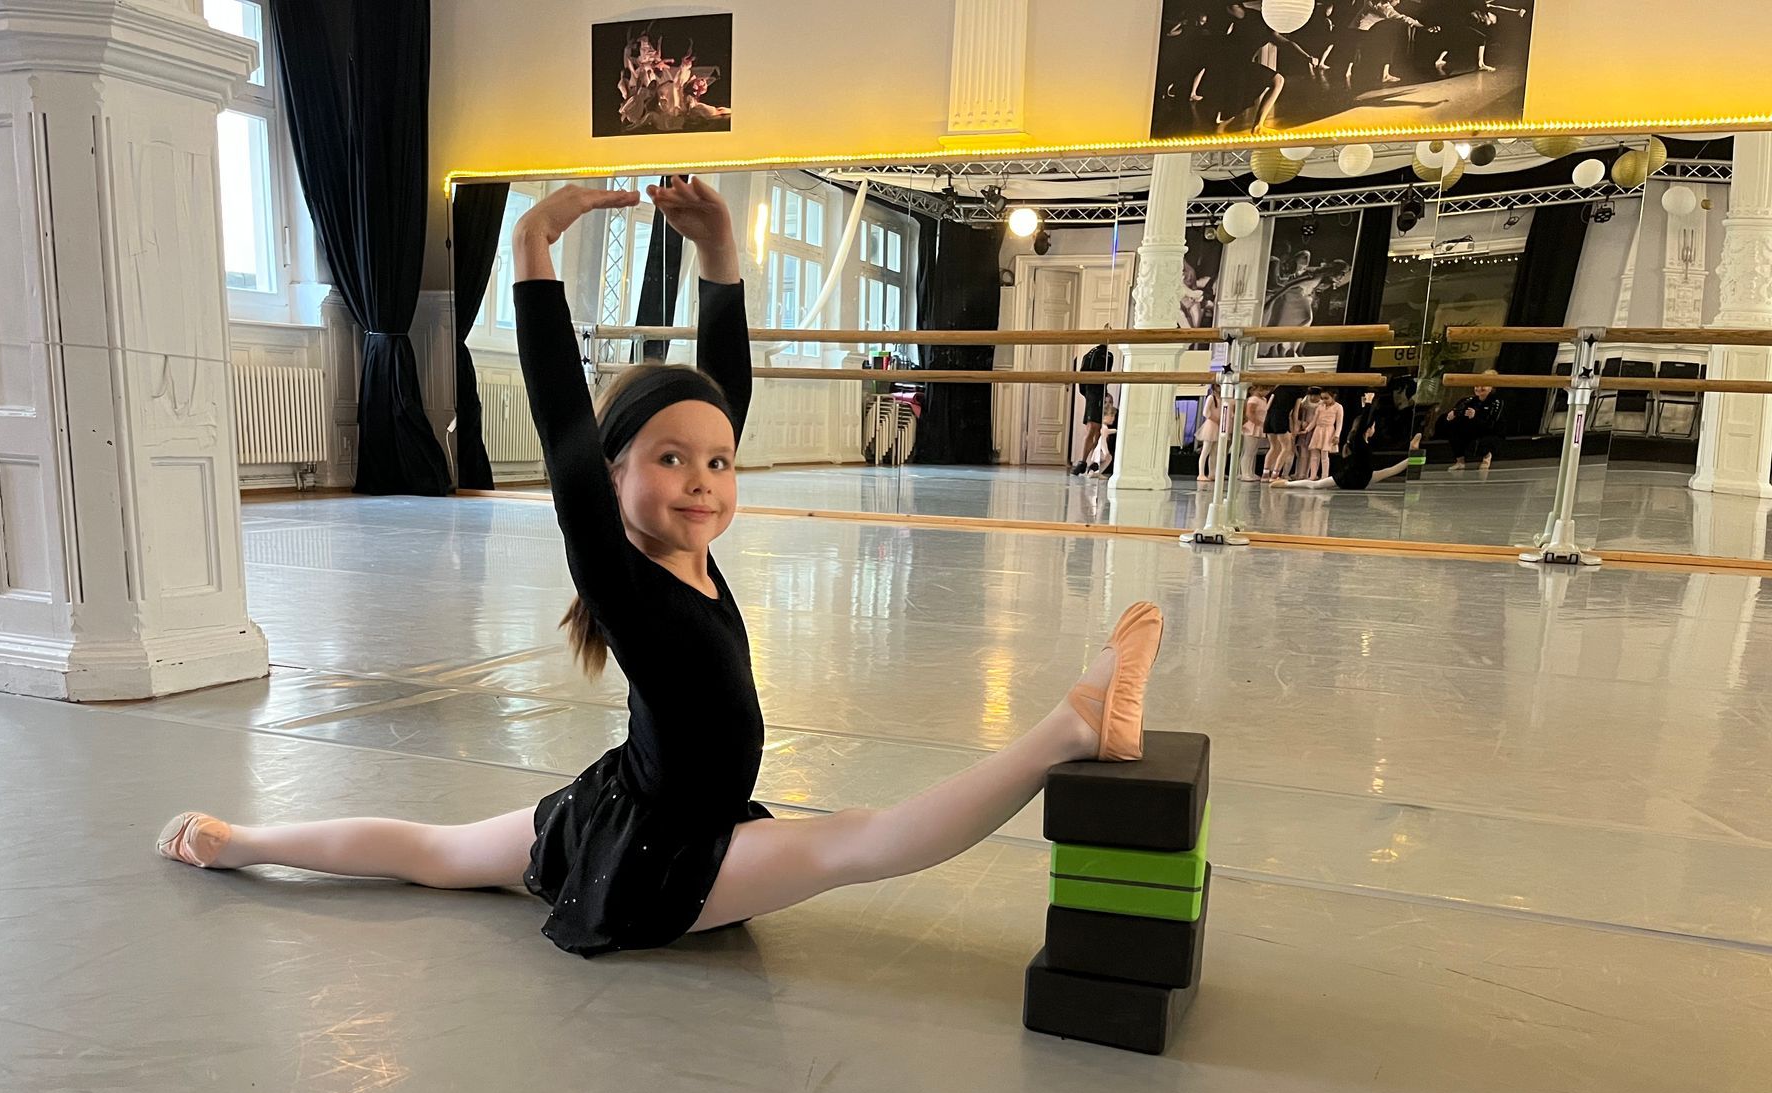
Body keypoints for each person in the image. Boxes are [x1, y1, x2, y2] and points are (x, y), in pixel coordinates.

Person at [156, 179, 1166, 959]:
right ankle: (1070, 727)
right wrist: (531, 250)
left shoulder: (693, 554)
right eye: (670, 461)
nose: (701, 481)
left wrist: (720, 254)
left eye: (718, 464)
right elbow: (564, 428)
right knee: (859, 840)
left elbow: (718, 398)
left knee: (442, 853)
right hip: (666, 858)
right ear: (612, 477)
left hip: (624, 804)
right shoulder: (625, 581)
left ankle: (237, 841)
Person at [1285, 388, 1417, 489]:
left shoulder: (1361, 440)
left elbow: (1364, 421)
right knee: (1315, 485)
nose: (1374, 429)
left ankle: (1414, 454)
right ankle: (1286, 484)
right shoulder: (1358, 440)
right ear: (1368, 429)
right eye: (1373, 427)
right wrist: (1368, 403)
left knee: (1391, 471)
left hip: (1363, 477)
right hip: (1352, 478)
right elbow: (1364, 421)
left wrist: (1366, 405)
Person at [1442, 380, 1504, 474]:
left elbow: (1491, 424)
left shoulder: (1496, 402)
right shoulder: (1470, 400)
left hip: (1490, 432)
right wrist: (1454, 413)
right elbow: (1460, 408)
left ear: (1491, 388)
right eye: (1477, 385)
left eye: (1483, 386)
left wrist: (1475, 416)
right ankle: (1460, 461)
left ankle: (1487, 456)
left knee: (1479, 441)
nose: (1479, 388)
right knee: (1453, 429)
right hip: (1473, 430)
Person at [1074, 338, 1114, 475]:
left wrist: (1087, 393)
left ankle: (1090, 461)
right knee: (1093, 429)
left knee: (1095, 430)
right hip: (1095, 394)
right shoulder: (1101, 354)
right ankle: (1085, 461)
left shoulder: (1096, 354)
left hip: (1094, 393)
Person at [1263, 366, 1307, 483]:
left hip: (1269, 418)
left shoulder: (1278, 387)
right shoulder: (1298, 390)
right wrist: (1295, 427)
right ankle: (1275, 474)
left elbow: (1267, 406)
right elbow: (1295, 412)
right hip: (1281, 418)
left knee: (1274, 447)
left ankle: (1265, 474)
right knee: (1286, 448)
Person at [1306, 388, 1345, 483]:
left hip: (1328, 431)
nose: (1324, 400)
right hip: (1318, 430)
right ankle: (1313, 475)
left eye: (1326, 398)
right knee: (1314, 453)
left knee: (1324, 454)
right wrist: (1307, 430)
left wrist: (1337, 435)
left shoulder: (1338, 407)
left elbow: (1339, 423)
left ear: (1333, 396)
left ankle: (1324, 476)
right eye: (1322, 398)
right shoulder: (1320, 406)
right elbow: (1314, 420)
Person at [1195, 384, 1225, 483]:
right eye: (1218, 386)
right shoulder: (1211, 398)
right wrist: (1215, 419)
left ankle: (1212, 473)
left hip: (1217, 425)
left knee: (1214, 451)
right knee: (1205, 450)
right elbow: (1205, 412)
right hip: (1211, 425)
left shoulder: (1221, 399)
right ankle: (1201, 473)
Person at [1241, 383, 1270, 481]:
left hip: (1259, 427)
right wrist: (1258, 423)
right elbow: (1249, 413)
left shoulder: (1264, 399)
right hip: (1252, 426)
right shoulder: (1253, 399)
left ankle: (1251, 472)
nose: (1267, 392)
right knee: (1248, 451)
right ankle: (1244, 473)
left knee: (1253, 451)